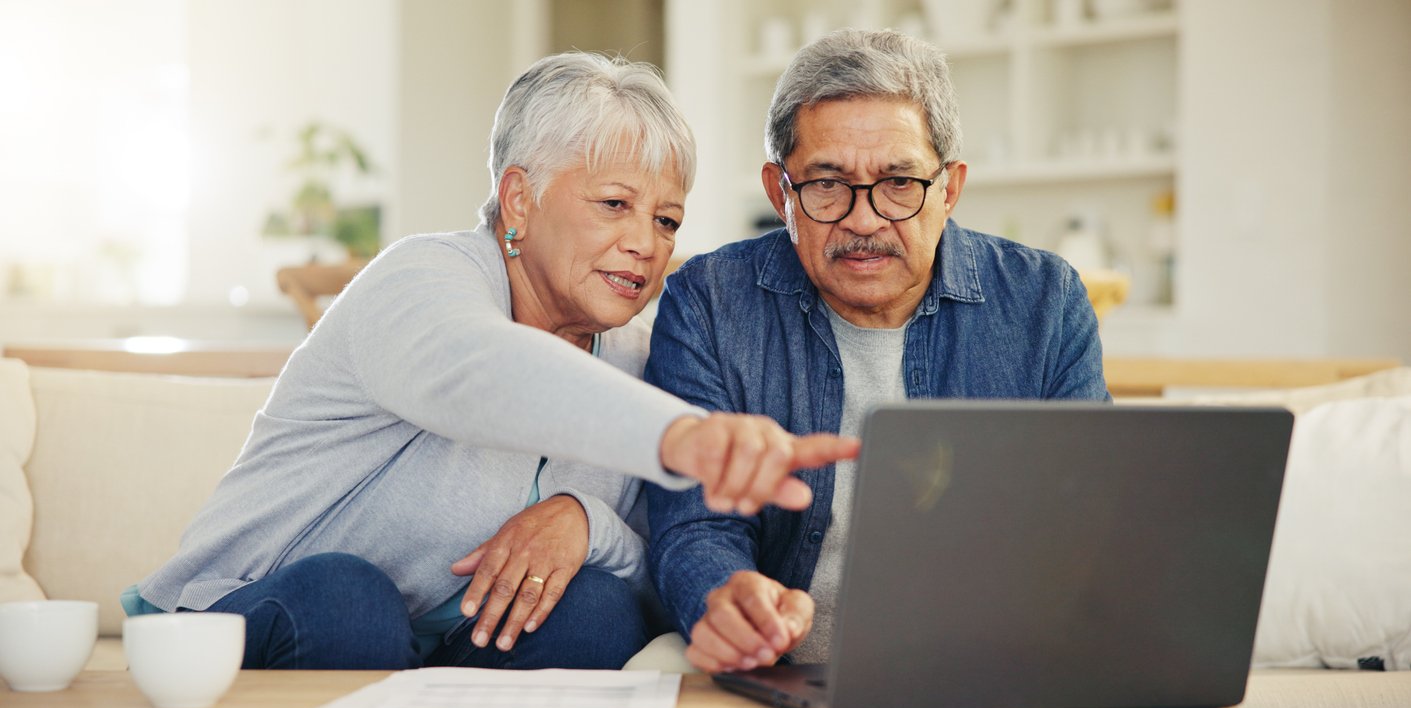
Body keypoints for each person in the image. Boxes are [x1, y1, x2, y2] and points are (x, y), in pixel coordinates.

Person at [122, 52, 857, 672]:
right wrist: (684, 437)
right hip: (240, 620)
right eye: (613, 204)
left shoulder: (636, 358)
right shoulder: (420, 281)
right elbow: (481, 372)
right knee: (350, 598)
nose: (646, 241)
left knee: (599, 611)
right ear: (518, 199)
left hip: (440, 649)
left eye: (665, 219)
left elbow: (656, 560)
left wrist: (583, 520)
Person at [645, 29, 1110, 674]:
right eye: (827, 185)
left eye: (897, 182)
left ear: (949, 189)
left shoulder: (1044, 301)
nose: (864, 220)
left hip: (989, 669)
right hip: (780, 672)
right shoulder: (708, 302)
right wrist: (724, 596)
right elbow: (693, 525)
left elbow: (1086, 518)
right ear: (781, 195)